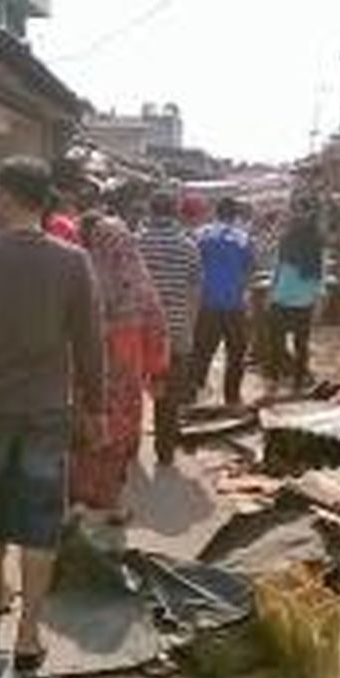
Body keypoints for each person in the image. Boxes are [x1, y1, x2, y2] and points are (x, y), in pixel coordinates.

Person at [0, 155, 104, 670]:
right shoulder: (72, 261)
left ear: (10, 196)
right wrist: (95, 406)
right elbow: (88, 343)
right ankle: (29, 633)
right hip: (46, 408)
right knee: (41, 517)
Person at [71, 212, 167, 520]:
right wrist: (157, 371)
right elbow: (156, 327)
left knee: (87, 433)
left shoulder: (82, 273)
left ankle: (80, 502)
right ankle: (110, 502)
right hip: (126, 373)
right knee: (119, 434)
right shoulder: (139, 281)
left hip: (86, 372)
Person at [137, 188, 202, 468]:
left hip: (139, 333)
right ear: (175, 212)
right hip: (175, 332)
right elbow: (196, 292)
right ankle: (165, 452)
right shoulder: (189, 247)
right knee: (170, 397)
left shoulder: (135, 243)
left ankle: (129, 450)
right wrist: (189, 326)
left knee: (132, 392)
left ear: (150, 211)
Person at [192, 196, 254, 408]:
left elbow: (193, 268)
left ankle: (194, 395)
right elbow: (248, 270)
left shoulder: (199, 235)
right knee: (236, 353)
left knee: (201, 351)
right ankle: (232, 398)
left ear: (215, 213)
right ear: (235, 215)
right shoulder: (243, 238)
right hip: (234, 306)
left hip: (206, 304)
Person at [267, 199, 325, 394]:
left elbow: (278, 268)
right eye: (295, 211)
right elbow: (320, 274)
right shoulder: (313, 240)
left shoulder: (292, 238)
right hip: (295, 298)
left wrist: (270, 293)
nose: (296, 215)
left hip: (289, 297)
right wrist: (319, 301)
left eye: (300, 211)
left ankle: (284, 382)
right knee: (292, 344)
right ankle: (290, 382)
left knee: (286, 344)